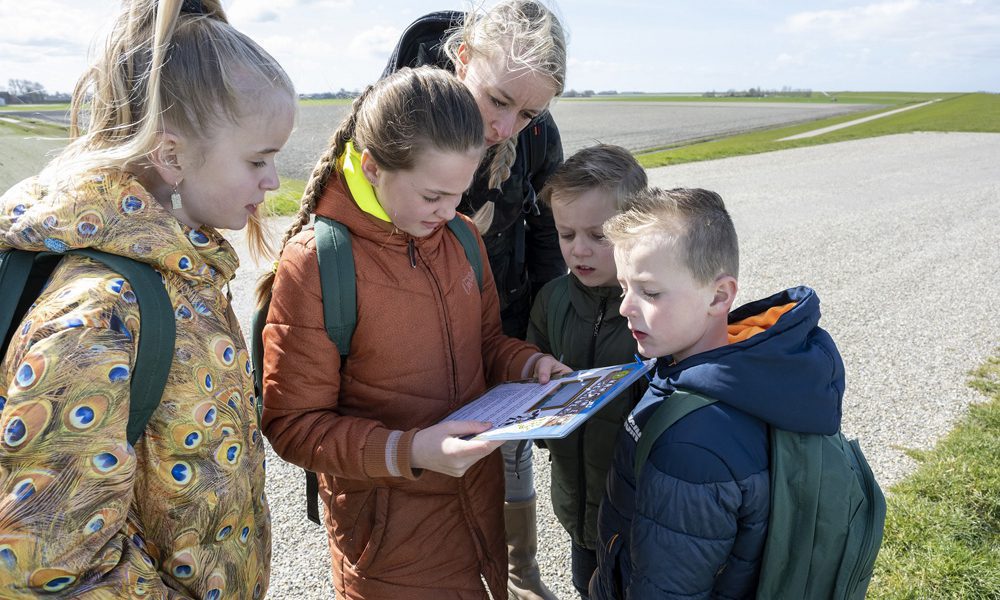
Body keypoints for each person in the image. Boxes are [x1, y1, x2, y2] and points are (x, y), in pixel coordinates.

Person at [0, 0, 295, 597]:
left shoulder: (182, 268)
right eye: (258, 159)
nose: (273, 181)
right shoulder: (99, 315)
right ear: (172, 155)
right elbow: (47, 569)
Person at [256, 66, 569, 600]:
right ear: (374, 168)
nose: (449, 212)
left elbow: (487, 343)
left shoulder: (462, 237)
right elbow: (294, 426)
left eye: (459, 194)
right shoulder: (317, 263)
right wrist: (411, 451)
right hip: (389, 545)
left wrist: (527, 366)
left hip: (477, 510)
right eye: (432, 197)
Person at [383, 4, 568, 596]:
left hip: (502, 323)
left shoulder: (536, 138)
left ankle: (519, 572)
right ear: (462, 58)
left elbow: (545, 233)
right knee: (427, 460)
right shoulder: (404, 112)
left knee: (507, 453)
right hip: (415, 329)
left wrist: (540, 335)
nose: (506, 128)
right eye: (497, 102)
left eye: (530, 111)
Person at [588, 188, 845, 599]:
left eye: (649, 292)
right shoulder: (762, 369)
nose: (625, 308)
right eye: (623, 288)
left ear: (719, 295)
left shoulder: (691, 443)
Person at [526, 144, 649, 599]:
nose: (579, 250)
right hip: (578, 509)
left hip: (642, 515)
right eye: (566, 234)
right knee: (588, 586)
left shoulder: (655, 307)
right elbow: (529, 380)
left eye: (599, 236)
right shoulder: (553, 301)